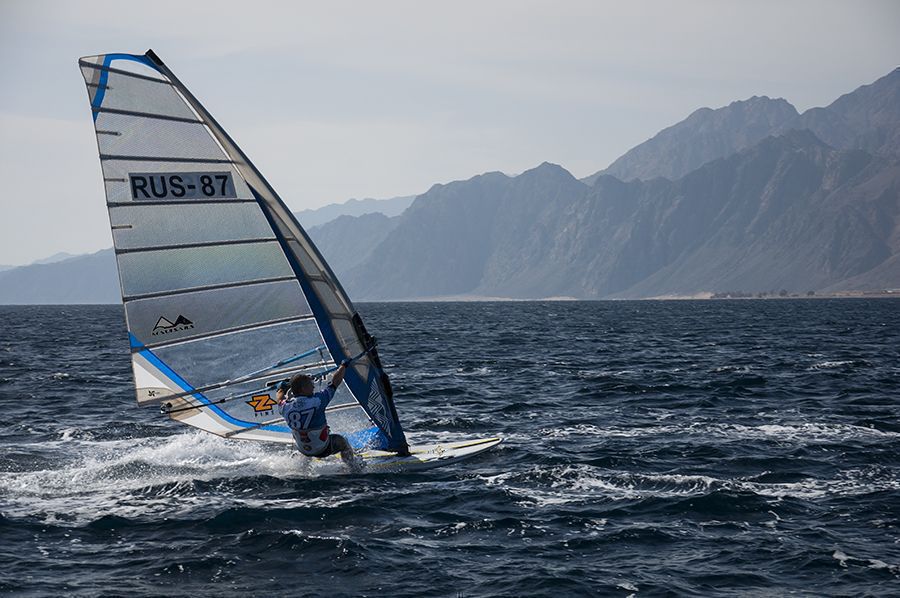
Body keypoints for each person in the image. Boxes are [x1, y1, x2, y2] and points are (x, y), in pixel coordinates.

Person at [276, 362, 359, 468]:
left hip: (303, 450)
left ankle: (303, 467)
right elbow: (334, 383)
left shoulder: (285, 407)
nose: (313, 387)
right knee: (342, 442)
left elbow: (279, 398)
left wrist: (281, 388)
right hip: (323, 449)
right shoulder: (317, 401)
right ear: (303, 389)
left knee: (306, 439)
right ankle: (354, 467)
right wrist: (343, 366)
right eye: (310, 385)